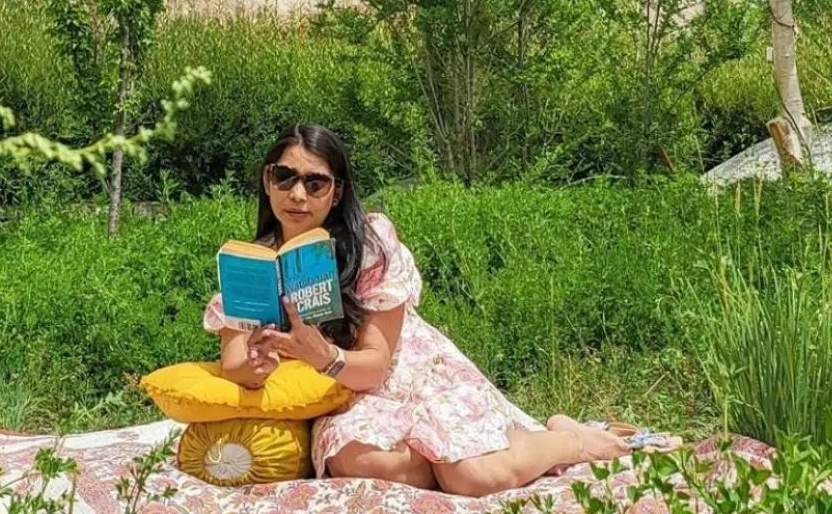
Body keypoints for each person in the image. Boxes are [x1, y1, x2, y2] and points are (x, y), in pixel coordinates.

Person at [203, 124, 642, 495]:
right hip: (341, 397)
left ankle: (567, 440)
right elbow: (235, 363)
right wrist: (256, 365)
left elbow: (377, 363)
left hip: (405, 369)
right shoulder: (251, 264)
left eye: (315, 182)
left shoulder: (370, 244)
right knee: (363, 463)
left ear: (336, 193)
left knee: (474, 477)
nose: (297, 194)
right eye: (285, 177)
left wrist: (322, 355)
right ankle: (459, 457)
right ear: (267, 181)